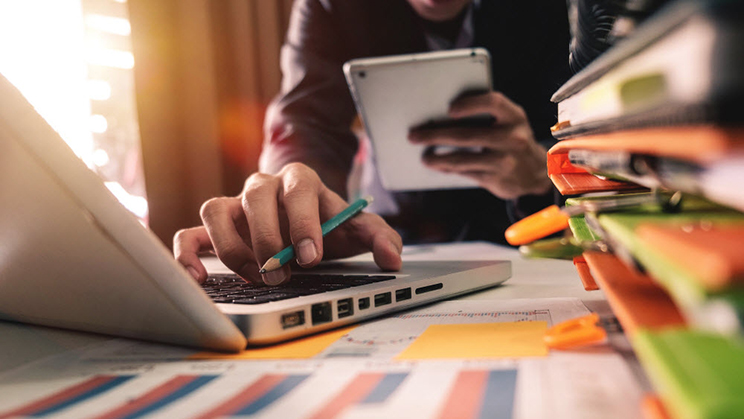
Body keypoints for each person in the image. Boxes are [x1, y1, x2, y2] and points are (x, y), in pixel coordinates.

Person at [174, 0, 571, 286]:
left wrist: (543, 175)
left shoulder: (558, 10)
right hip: (392, 238)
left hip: (532, 231)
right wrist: (294, 195)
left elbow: (582, 127)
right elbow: (305, 121)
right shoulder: (331, 5)